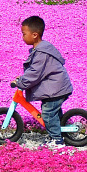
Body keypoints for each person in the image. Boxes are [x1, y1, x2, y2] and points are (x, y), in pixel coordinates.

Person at [13, 15, 74, 149]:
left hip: (56, 88)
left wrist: (21, 82)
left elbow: (35, 72)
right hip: (55, 87)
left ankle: (57, 140)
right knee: (53, 113)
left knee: (48, 113)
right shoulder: (40, 49)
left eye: (24, 34)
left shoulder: (41, 52)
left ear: (34, 35)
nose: (22, 37)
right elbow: (35, 71)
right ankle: (57, 133)